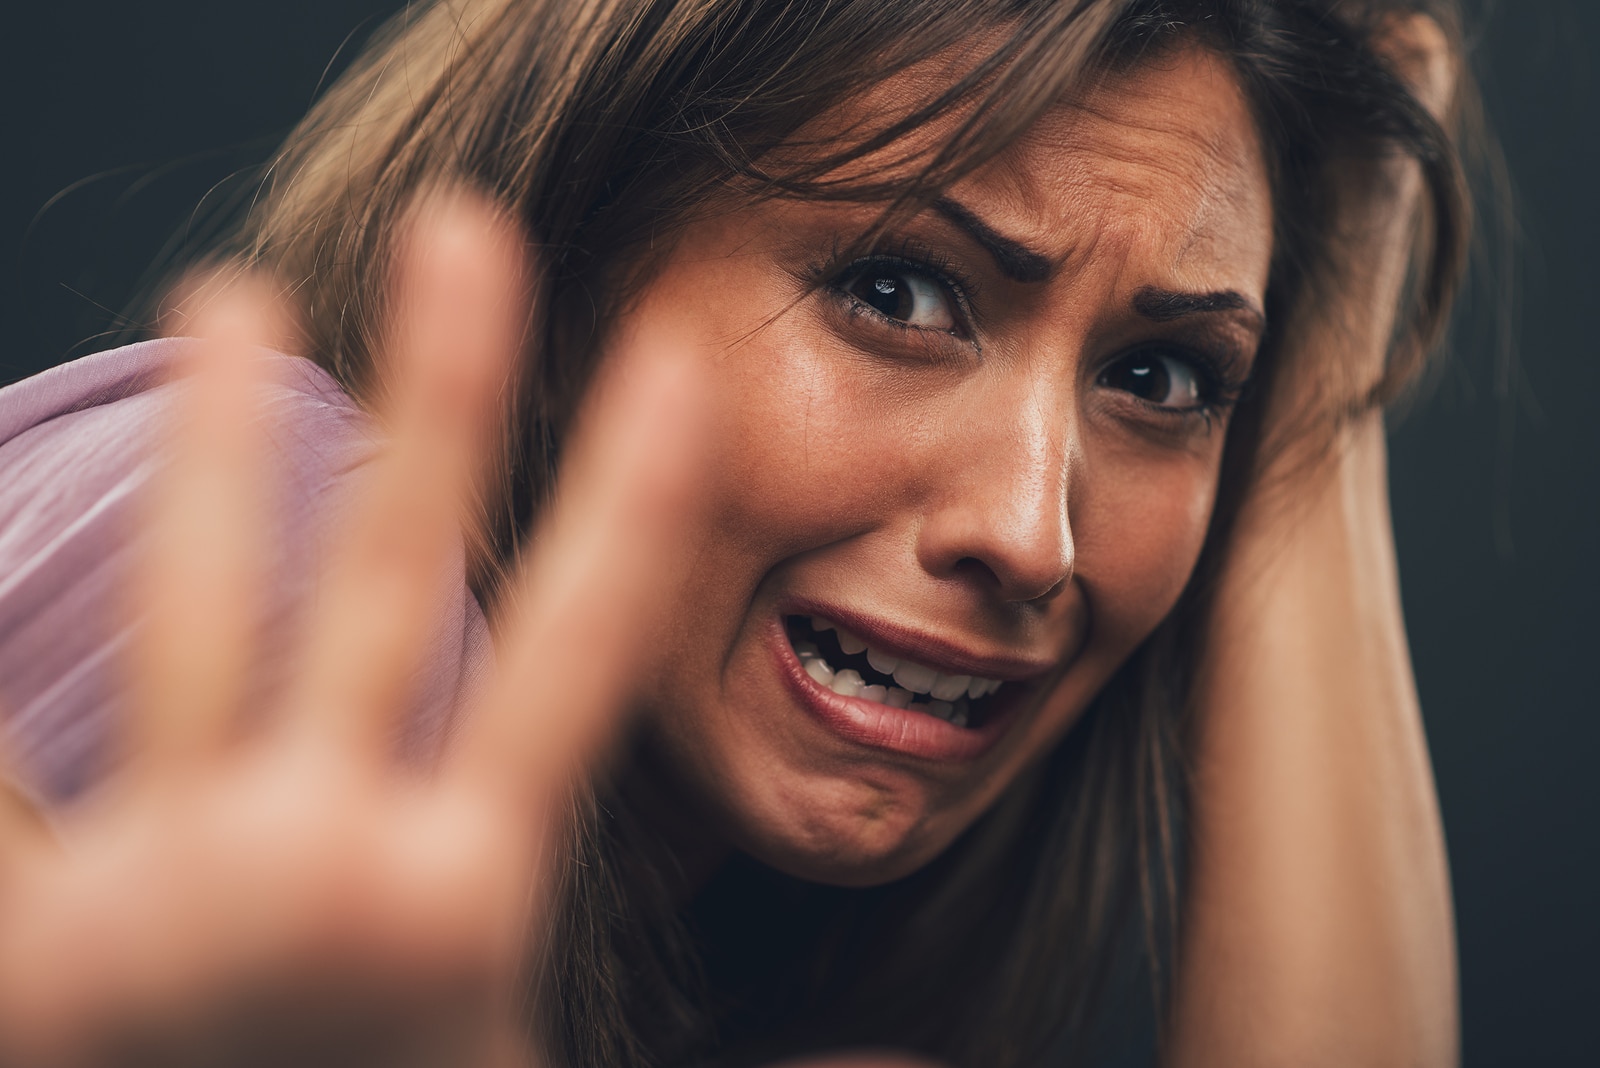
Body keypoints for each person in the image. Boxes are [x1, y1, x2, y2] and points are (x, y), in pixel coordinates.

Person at [0, 0, 1474, 1064]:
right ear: (575, 264)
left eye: (1164, 379)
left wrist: (1315, 391)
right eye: (899, 293)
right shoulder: (293, 541)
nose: (1032, 534)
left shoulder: (726, 927)